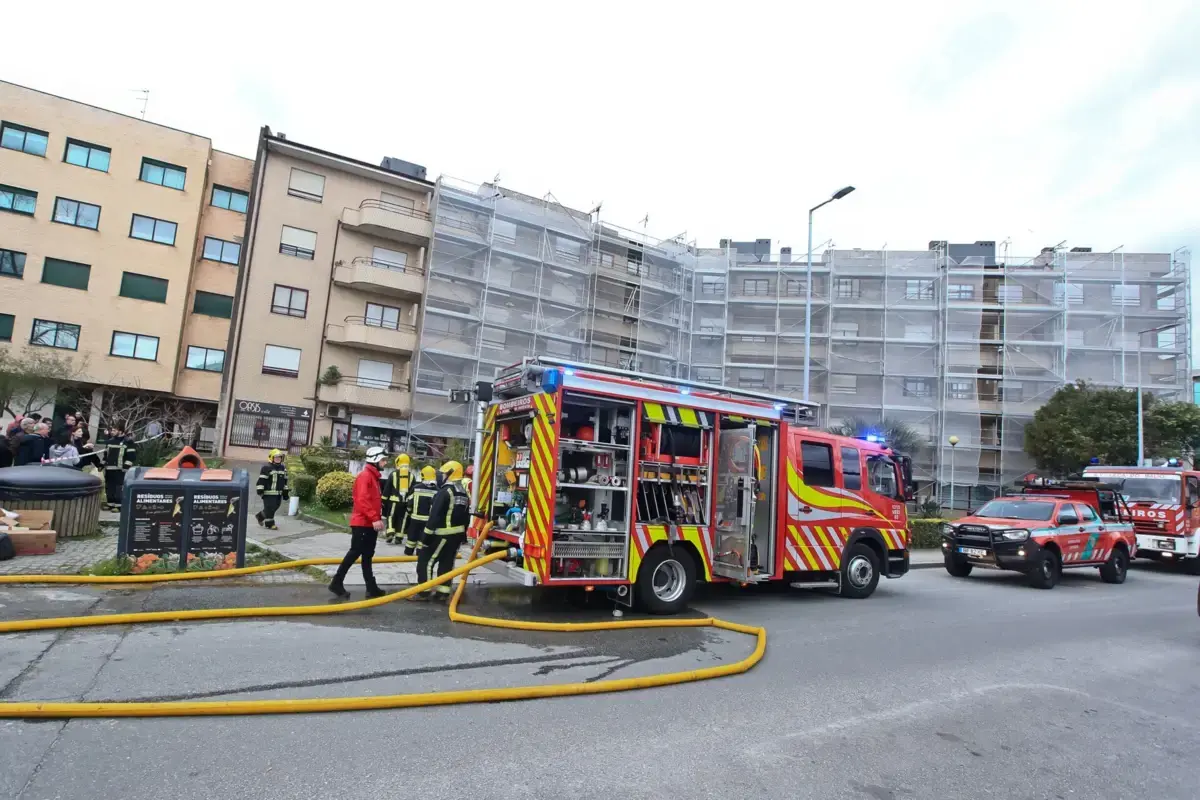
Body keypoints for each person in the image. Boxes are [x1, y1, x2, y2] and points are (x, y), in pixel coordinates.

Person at [328, 446, 389, 600]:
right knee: (355, 552)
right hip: (362, 523)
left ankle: (371, 587)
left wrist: (376, 518)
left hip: (368, 524)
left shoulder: (373, 477)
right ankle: (336, 582)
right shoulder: (365, 476)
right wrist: (374, 518)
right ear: (375, 460)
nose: (385, 462)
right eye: (383, 460)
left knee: (367, 555)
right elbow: (362, 500)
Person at [414, 460, 469, 602]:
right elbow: (466, 517)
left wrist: (425, 538)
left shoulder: (444, 492)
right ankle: (443, 593)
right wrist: (463, 536)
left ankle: (424, 592)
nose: (441, 476)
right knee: (446, 563)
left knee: (426, 561)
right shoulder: (463, 493)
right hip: (456, 536)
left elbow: (434, 516)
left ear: (450, 474)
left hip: (441, 535)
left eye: (444, 473)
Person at [398, 466, 438, 556]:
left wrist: (409, 511)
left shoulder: (416, 488)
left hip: (415, 519)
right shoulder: (437, 490)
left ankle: (408, 551)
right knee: (423, 538)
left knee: (412, 536)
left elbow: (410, 501)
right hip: (428, 520)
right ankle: (419, 553)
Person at [101, 423, 137, 511]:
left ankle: (118, 505)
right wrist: (102, 464)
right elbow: (106, 455)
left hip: (120, 469)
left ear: (120, 431)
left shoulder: (128, 442)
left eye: (114, 430)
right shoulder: (110, 441)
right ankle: (110, 504)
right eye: (111, 430)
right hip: (109, 468)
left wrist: (126, 467)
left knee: (119, 487)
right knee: (109, 486)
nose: (112, 432)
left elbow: (131, 457)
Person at [255, 449, 290, 529]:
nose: (278, 459)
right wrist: (260, 490)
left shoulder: (283, 468)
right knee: (270, 508)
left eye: (279, 457)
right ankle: (270, 524)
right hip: (268, 493)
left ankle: (260, 516)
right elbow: (261, 480)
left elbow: (285, 481)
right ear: (271, 458)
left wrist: (285, 492)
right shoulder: (266, 468)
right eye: (276, 457)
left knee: (275, 507)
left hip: (278, 493)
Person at [383, 453, 412, 545]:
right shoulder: (411, 476)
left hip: (394, 502)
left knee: (391, 517)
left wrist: (383, 500)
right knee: (402, 520)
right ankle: (399, 538)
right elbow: (412, 491)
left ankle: (390, 533)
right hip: (405, 503)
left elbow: (387, 489)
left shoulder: (393, 474)